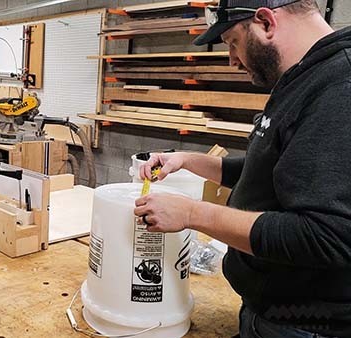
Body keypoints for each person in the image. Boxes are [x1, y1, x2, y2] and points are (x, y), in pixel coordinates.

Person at [135, 0, 351, 337]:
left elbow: (327, 235)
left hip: (305, 326)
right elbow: (274, 174)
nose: (232, 59)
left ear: (265, 23)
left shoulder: (339, 88)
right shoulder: (303, 77)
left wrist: (194, 213)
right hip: (269, 311)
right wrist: (188, 161)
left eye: (233, 42)